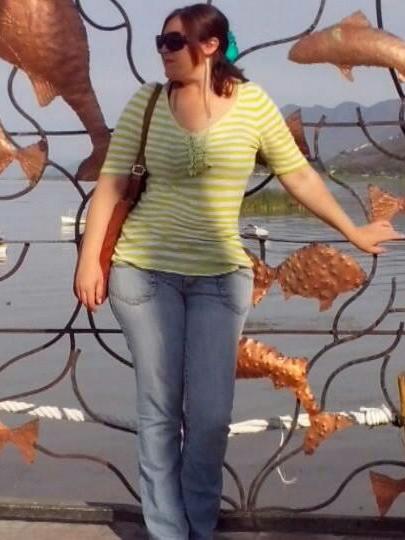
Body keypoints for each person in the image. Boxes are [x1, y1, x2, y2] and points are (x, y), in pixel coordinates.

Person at [74, 4, 402, 539]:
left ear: (209, 46)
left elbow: (298, 176)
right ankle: (168, 531)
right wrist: (90, 260)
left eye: (172, 42)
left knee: (209, 417)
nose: (162, 51)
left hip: (220, 280)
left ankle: (198, 526)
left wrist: (353, 230)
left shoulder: (252, 106)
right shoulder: (148, 102)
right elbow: (110, 184)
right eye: (160, 42)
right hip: (143, 272)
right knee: (159, 410)